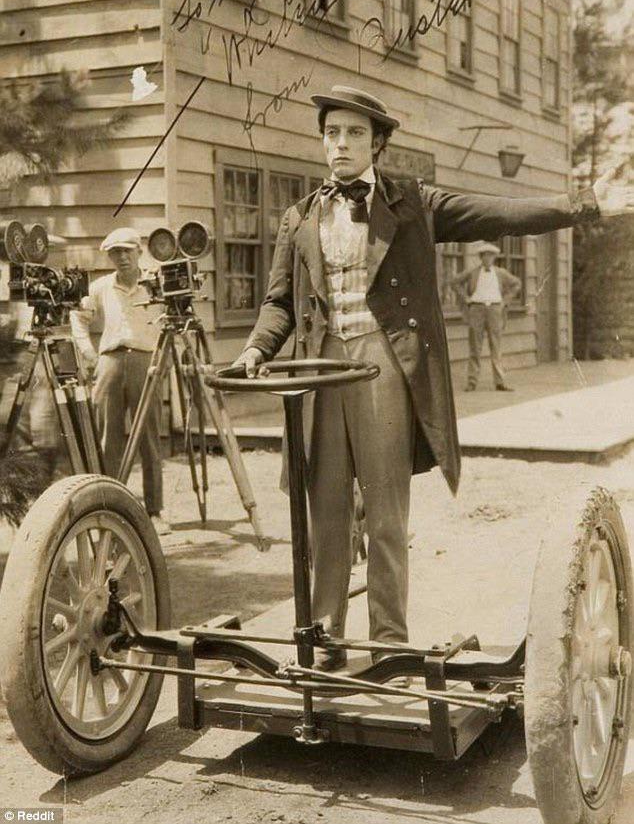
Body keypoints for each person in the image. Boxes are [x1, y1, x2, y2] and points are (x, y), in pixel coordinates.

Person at [234, 84, 633, 671]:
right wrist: (255, 348)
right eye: (332, 133)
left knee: (387, 513)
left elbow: (495, 213)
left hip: (383, 368)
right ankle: (324, 641)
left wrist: (583, 203)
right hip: (318, 370)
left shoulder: (412, 204)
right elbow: (278, 304)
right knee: (326, 515)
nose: (340, 144)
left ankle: (389, 644)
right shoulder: (299, 217)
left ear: (377, 143)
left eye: (353, 134)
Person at [71, 227, 170, 535]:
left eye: (127, 250)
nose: (122, 257)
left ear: (139, 251)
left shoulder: (156, 285)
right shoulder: (101, 287)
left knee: (149, 438)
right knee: (107, 439)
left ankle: (155, 511)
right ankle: (108, 507)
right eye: (115, 252)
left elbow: (172, 322)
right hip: (110, 361)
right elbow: (78, 316)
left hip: (145, 360)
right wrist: (87, 351)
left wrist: (164, 360)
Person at [451, 242, 521, 392]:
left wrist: (505, 301)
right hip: (476, 309)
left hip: (495, 309)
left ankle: (500, 382)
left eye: (490, 256)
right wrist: (466, 298)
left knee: (496, 346)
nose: (487, 259)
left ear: (494, 258)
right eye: (485, 256)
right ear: (481, 257)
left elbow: (516, 284)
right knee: (475, 347)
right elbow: (455, 282)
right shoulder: (473, 272)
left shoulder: (500, 273)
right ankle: (472, 382)